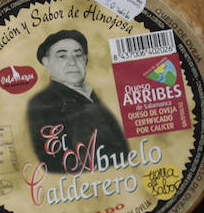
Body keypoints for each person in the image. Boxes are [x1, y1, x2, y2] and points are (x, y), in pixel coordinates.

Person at [27, 29, 130, 173]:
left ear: (86, 59)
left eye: (78, 55)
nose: (72, 62)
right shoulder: (43, 103)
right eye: (62, 56)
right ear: (47, 63)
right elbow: (57, 165)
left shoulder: (97, 94)